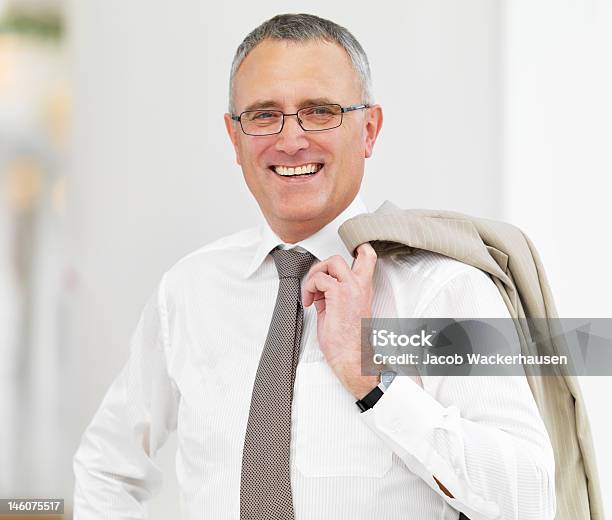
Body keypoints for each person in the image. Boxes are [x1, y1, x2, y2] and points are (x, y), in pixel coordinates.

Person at [73, 13, 556, 520]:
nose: (290, 140)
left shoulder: (444, 291)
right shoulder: (189, 290)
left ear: (369, 130)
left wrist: (373, 378)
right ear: (234, 138)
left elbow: (527, 500)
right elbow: (107, 468)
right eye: (263, 115)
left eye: (319, 111)